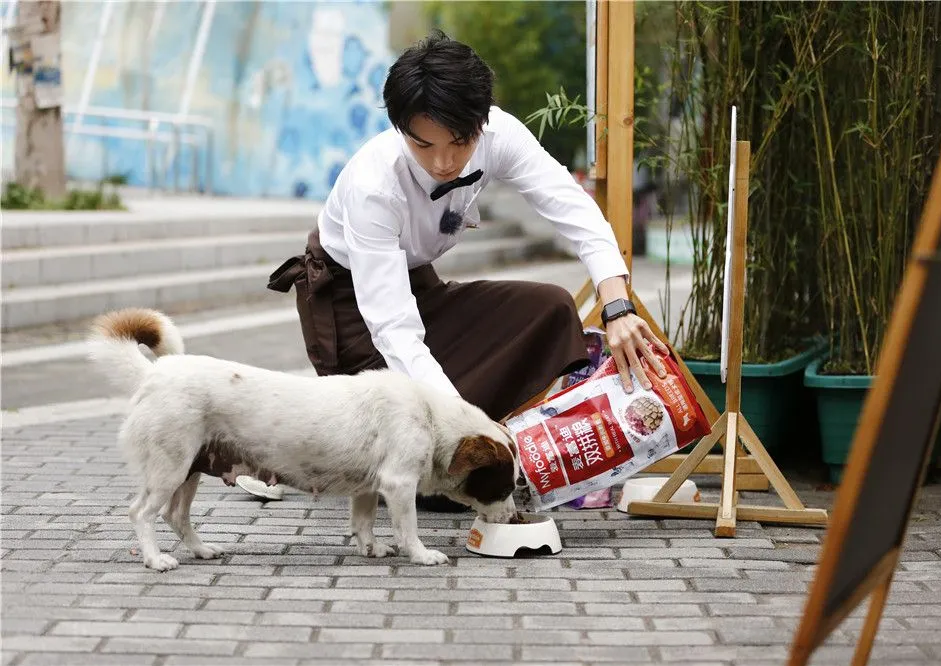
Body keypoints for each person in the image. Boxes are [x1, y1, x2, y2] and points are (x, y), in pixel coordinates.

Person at [244, 30, 669, 508]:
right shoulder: (373, 186)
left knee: (550, 308)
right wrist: (466, 431)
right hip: (350, 313)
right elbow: (394, 329)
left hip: (421, 286)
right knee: (418, 447)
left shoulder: (500, 135)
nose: (444, 162)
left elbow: (571, 207)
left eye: (460, 142)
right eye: (423, 146)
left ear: (482, 123)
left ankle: (496, 449)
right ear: (399, 126)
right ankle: (281, 459)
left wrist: (616, 305)